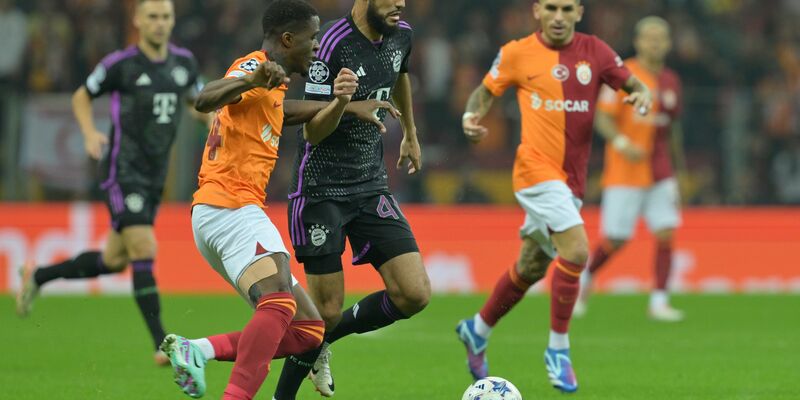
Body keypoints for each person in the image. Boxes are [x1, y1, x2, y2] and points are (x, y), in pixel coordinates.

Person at [158, 1, 399, 398]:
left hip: (225, 211)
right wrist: (250, 80)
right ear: (288, 39)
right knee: (278, 306)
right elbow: (204, 98)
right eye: (313, 37)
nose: (319, 46)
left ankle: (196, 350)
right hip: (230, 208)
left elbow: (280, 112)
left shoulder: (272, 85)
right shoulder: (253, 67)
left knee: (308, 330)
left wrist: (348, 107)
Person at [455, 0, 652, 393]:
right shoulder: (517, 52)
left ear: (579, 12)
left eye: (566, 8)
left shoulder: (595, 51)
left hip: (571, 182)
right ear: (537, 11)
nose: (558, 16)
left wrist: (641, 93)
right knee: (577, 251)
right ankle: (558, 349)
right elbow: (485, 89)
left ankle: (476, 330)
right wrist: (470, 115)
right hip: (534, 171)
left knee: (531, 265)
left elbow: (630, 81)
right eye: (551, 8)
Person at [16, 0, 208, 365]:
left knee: (114, 260)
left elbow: (195, 102)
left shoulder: (184, 64)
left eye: (165, 17)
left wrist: (211, 123)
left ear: (172, 21)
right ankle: (160, 344)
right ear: (137, 21)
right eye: (152, 17)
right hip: (122, 170)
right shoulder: (120, 65)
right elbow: (81, 96)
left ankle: (39, 275)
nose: (159, 23)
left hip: (154, 177)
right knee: (143, 246)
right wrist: (89, 133)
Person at [273, 1, 430, 398]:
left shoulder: (402, 34)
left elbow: (400, 75)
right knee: (323, 313)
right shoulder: (330, 45)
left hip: (370, 185)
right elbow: (312, 133)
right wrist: (343, 104)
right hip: (321, 189)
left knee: (414, 293)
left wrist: (410, 132)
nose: (400, 3)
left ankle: (324, 341)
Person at [576, 16, 687, 322]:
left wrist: (678, 170)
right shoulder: (624, 75)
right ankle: (585, 279)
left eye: (660, 38)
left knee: (666, 232)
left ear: (667, 43)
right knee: (616, 238)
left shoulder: (671, 81)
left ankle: (660, 301)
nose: (655, 43)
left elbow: (670, 129)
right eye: (649, 37)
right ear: (638, 42)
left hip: (660, 171)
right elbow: (603, 117)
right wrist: (622, 143)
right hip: (625, 172)